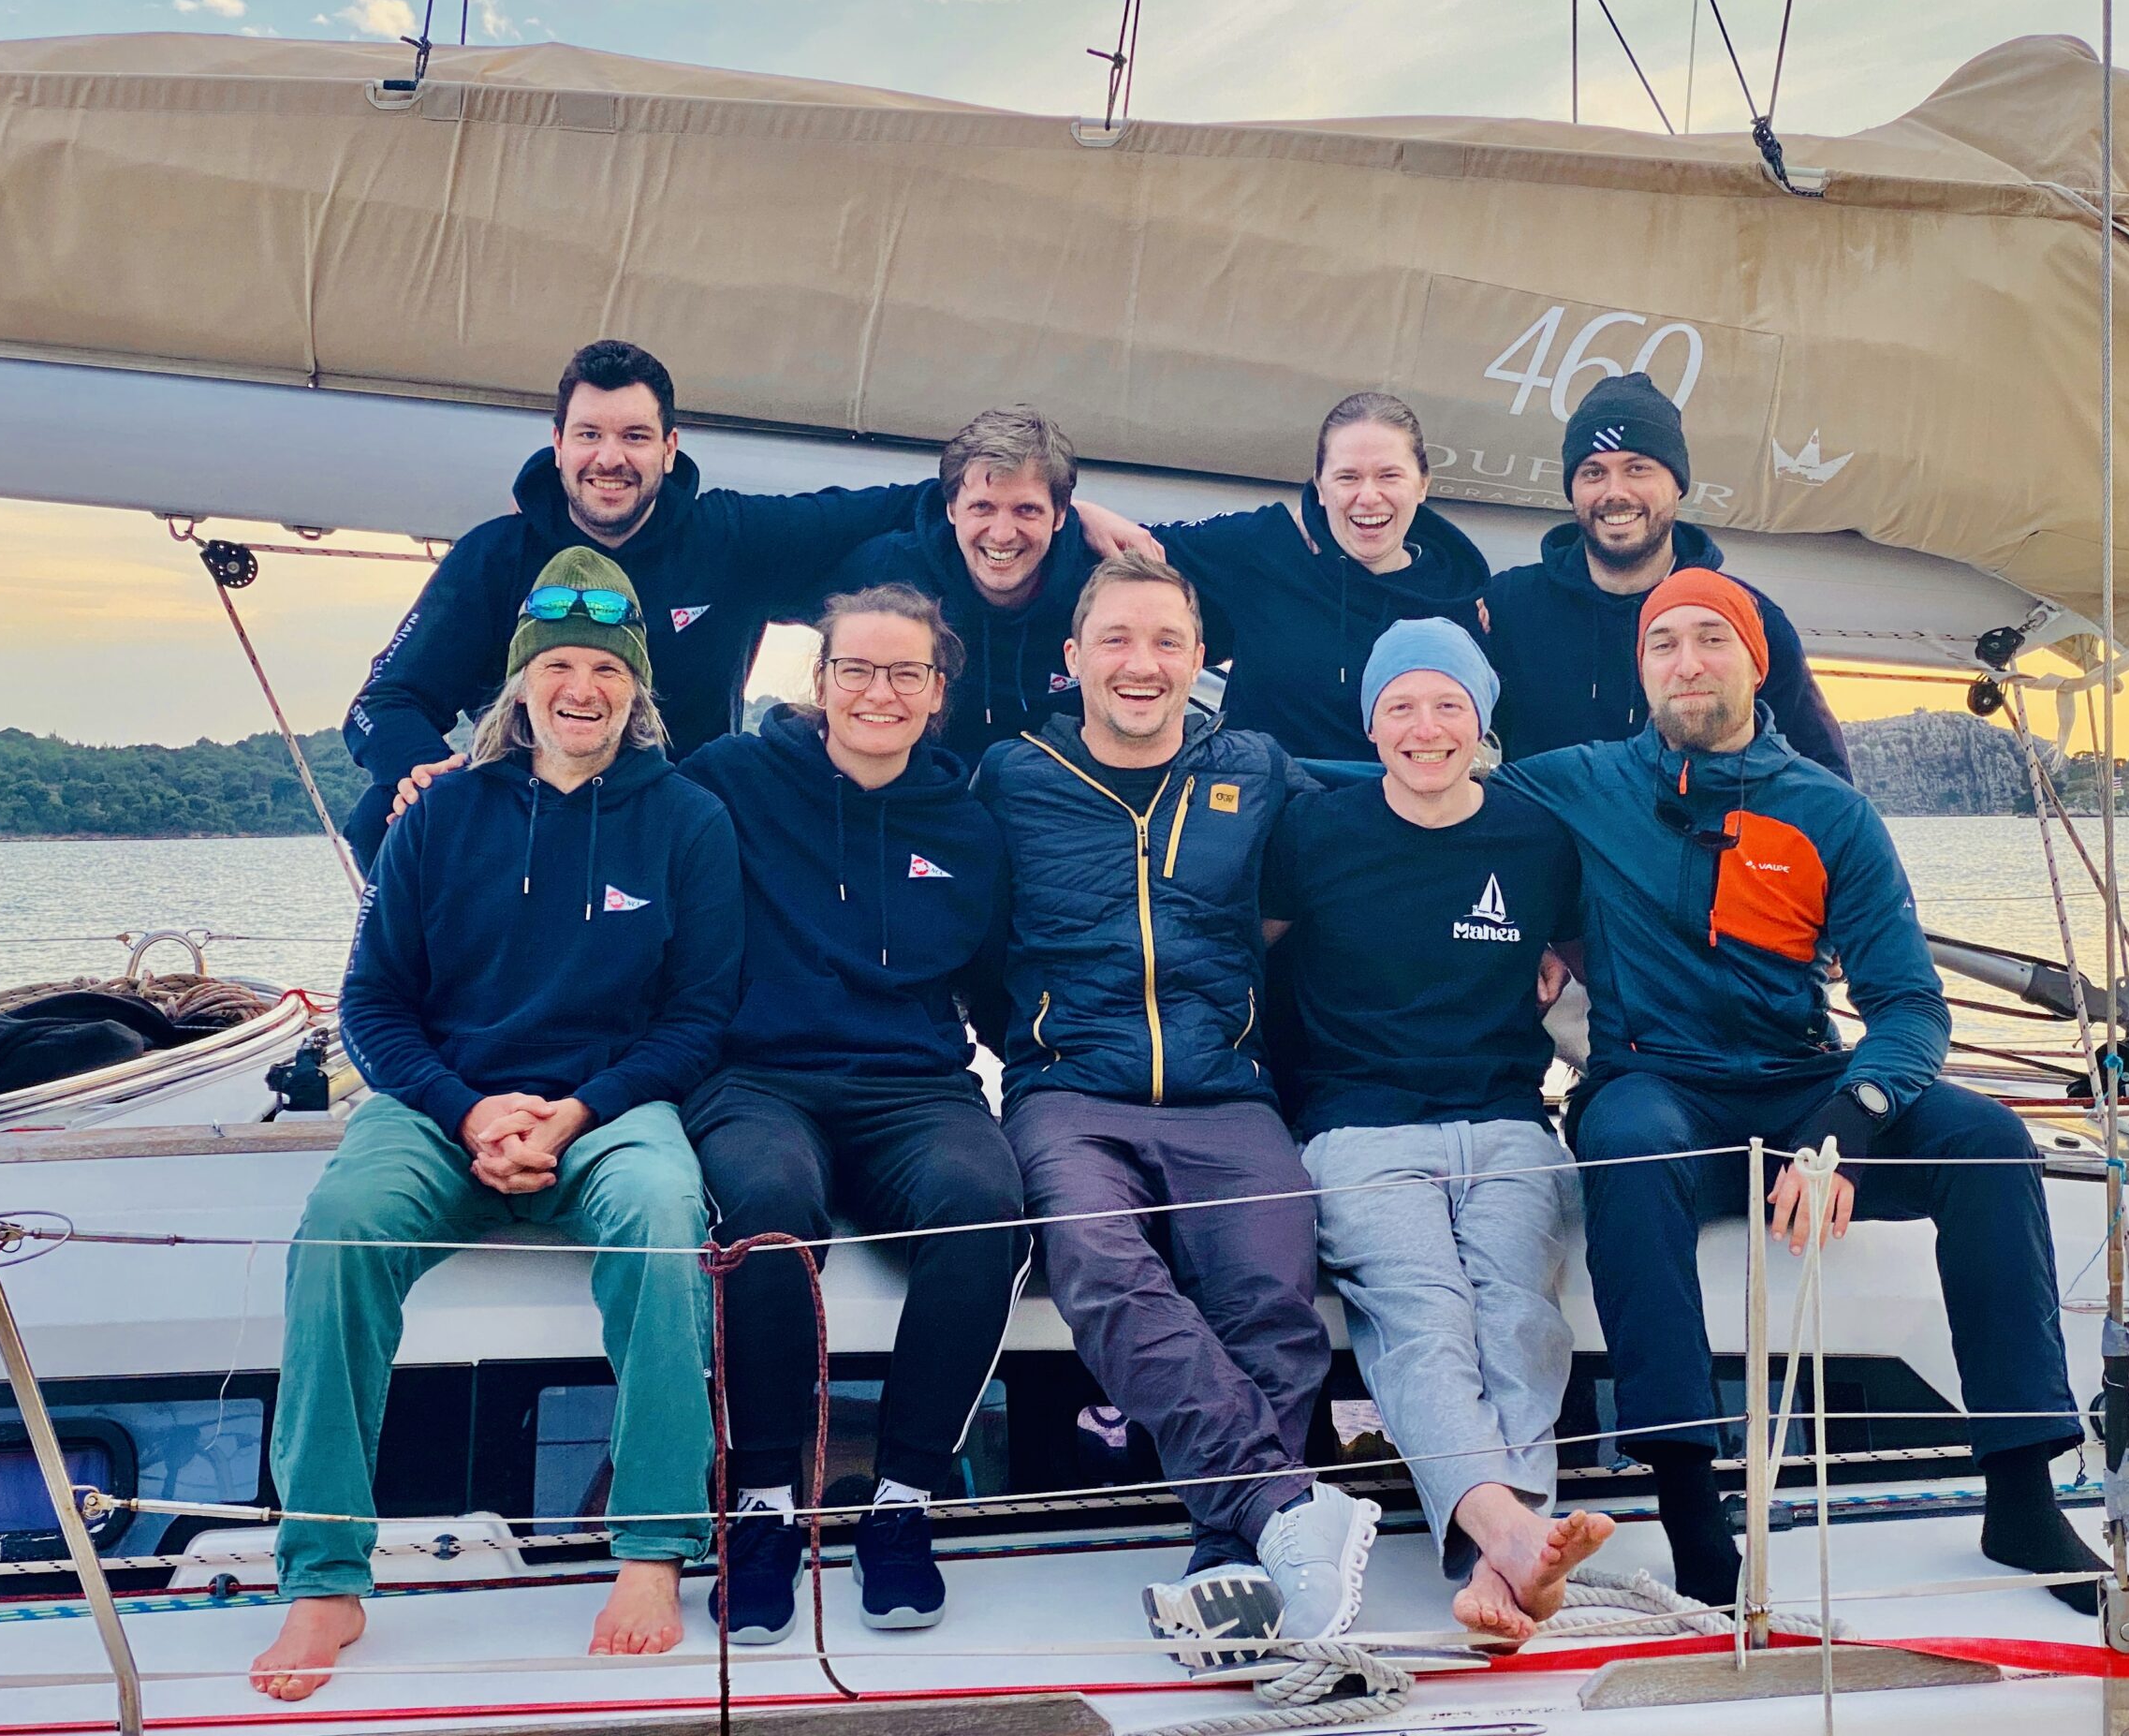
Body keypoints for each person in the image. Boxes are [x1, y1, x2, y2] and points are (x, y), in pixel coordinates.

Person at [1497, 568, 2104, 1614]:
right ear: (1642, 670)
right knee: (1628, 1146)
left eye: (1711, 640)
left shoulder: (1830, 813)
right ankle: (1694, 1519)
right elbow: (1426, 794)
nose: (1687, 663)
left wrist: (1848, 1119)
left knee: (1990, 1144)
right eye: (1663, 645)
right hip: (1655, 1081)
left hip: (1802, 1085)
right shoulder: (1581, 783)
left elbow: (1909, 1005)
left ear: (1754, 661)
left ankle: (2021, 1495)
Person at [250, 548, 743, 1700]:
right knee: (338, 1231)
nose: (583, 688)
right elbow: (372, 1006)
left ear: (637, 688)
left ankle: (651, 1549)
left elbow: (700, 1017)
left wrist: (574, 1114)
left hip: (606, 1107)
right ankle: (324, 1574)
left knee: (666, 1216)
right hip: (442, 1105)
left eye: (606, 669)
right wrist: (468, 1109)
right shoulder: (436, 815)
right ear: (520, 685)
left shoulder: (689, 820)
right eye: (559, 665)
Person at [971, 552, 1375, 1652]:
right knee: (1097, 1261)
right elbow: (958, 919)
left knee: (1271, 1295)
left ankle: (1228, 1554)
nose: (1141, 664)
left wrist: (1538, 928)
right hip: (1068, 1092)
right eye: (1116, 639)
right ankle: (1281, 1506)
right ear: (1073, 659)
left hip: (1225, 1093)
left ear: (1201, 660)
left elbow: (1386, 826)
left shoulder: (1254, 766)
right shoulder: (1013, 776)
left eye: (1165, 642)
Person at [345, 344, 1148, 868]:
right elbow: (382, 703)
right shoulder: (494, 557)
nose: (609, 458)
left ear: (670, 447)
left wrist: (1066, 513)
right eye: (589, 435)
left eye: (634, 437)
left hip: (680, 817)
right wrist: (420, 768)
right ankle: (411, 1009)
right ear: (557, 444)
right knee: (385, 811)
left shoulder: (730, 537)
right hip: (528, 803)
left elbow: (911, 500)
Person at [679, 585, 1024, 1640]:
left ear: (937, 692)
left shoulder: (969, 825)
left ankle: (903, 1500)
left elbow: (1000, 990)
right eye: (857, 670)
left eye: (905, 673)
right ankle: (764, 1505)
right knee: (770, 1208)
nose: (880, 692)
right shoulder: (730, 780)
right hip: (757, 1077)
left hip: (910, 1087)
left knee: (984, 1205)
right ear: (820, 682)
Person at [1261, 618, 1614, 1640]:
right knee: (1424, 1317)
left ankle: (1500, 1558)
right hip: (1360, 1128)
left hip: (1506, 1123)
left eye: (1449, 705)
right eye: (1402, 707)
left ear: (1481, 721)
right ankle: (1512, 1535)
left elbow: (1587, 965)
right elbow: (1247, 966)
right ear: (1372, 726)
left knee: (1519, 1318)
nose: (1426, 728)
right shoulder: (1313, 834)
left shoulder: (1536, 840)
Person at [1482, 372, 1851, 775]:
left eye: (1638, 469)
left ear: (1678, 484)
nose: (1615, 492)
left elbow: (1822, 774)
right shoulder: (1507, 606)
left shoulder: (1743, 616)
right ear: (1572, 489)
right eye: (1593, 472)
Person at [1094, 392, 1490, 762]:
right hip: (1259, 801)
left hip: (1386, 809)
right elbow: (1133, 547)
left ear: (1422, 484)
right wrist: (1082, 513)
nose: (1368, 497)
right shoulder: (1264, 546)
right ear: (1320, 486)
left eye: (1389, 476)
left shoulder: (1459, 596)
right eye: (1348, 477)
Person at [829, 407, 1109, 765]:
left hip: (1058, 794)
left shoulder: (1104, 586)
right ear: (951, 509)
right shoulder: (883, 570)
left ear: (1061, 515)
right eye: (982, 507)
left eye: (1027, 510)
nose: (1002, 534)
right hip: (923, 792)